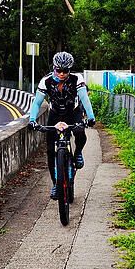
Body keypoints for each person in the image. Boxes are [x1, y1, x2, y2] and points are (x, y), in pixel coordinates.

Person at [27, 51, 96, 199]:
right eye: (59, 70)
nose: (62, 74)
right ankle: (55, 184)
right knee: (50, 150)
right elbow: (37, 103)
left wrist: (91, 117)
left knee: (80, 132)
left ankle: (78, 153)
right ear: (54, 68)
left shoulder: (77, 78)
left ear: (70, 69)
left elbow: (84, 98)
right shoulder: (46, 81)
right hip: (55, 114)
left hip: (73, 112)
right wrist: (32, 120)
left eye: (65, 71)